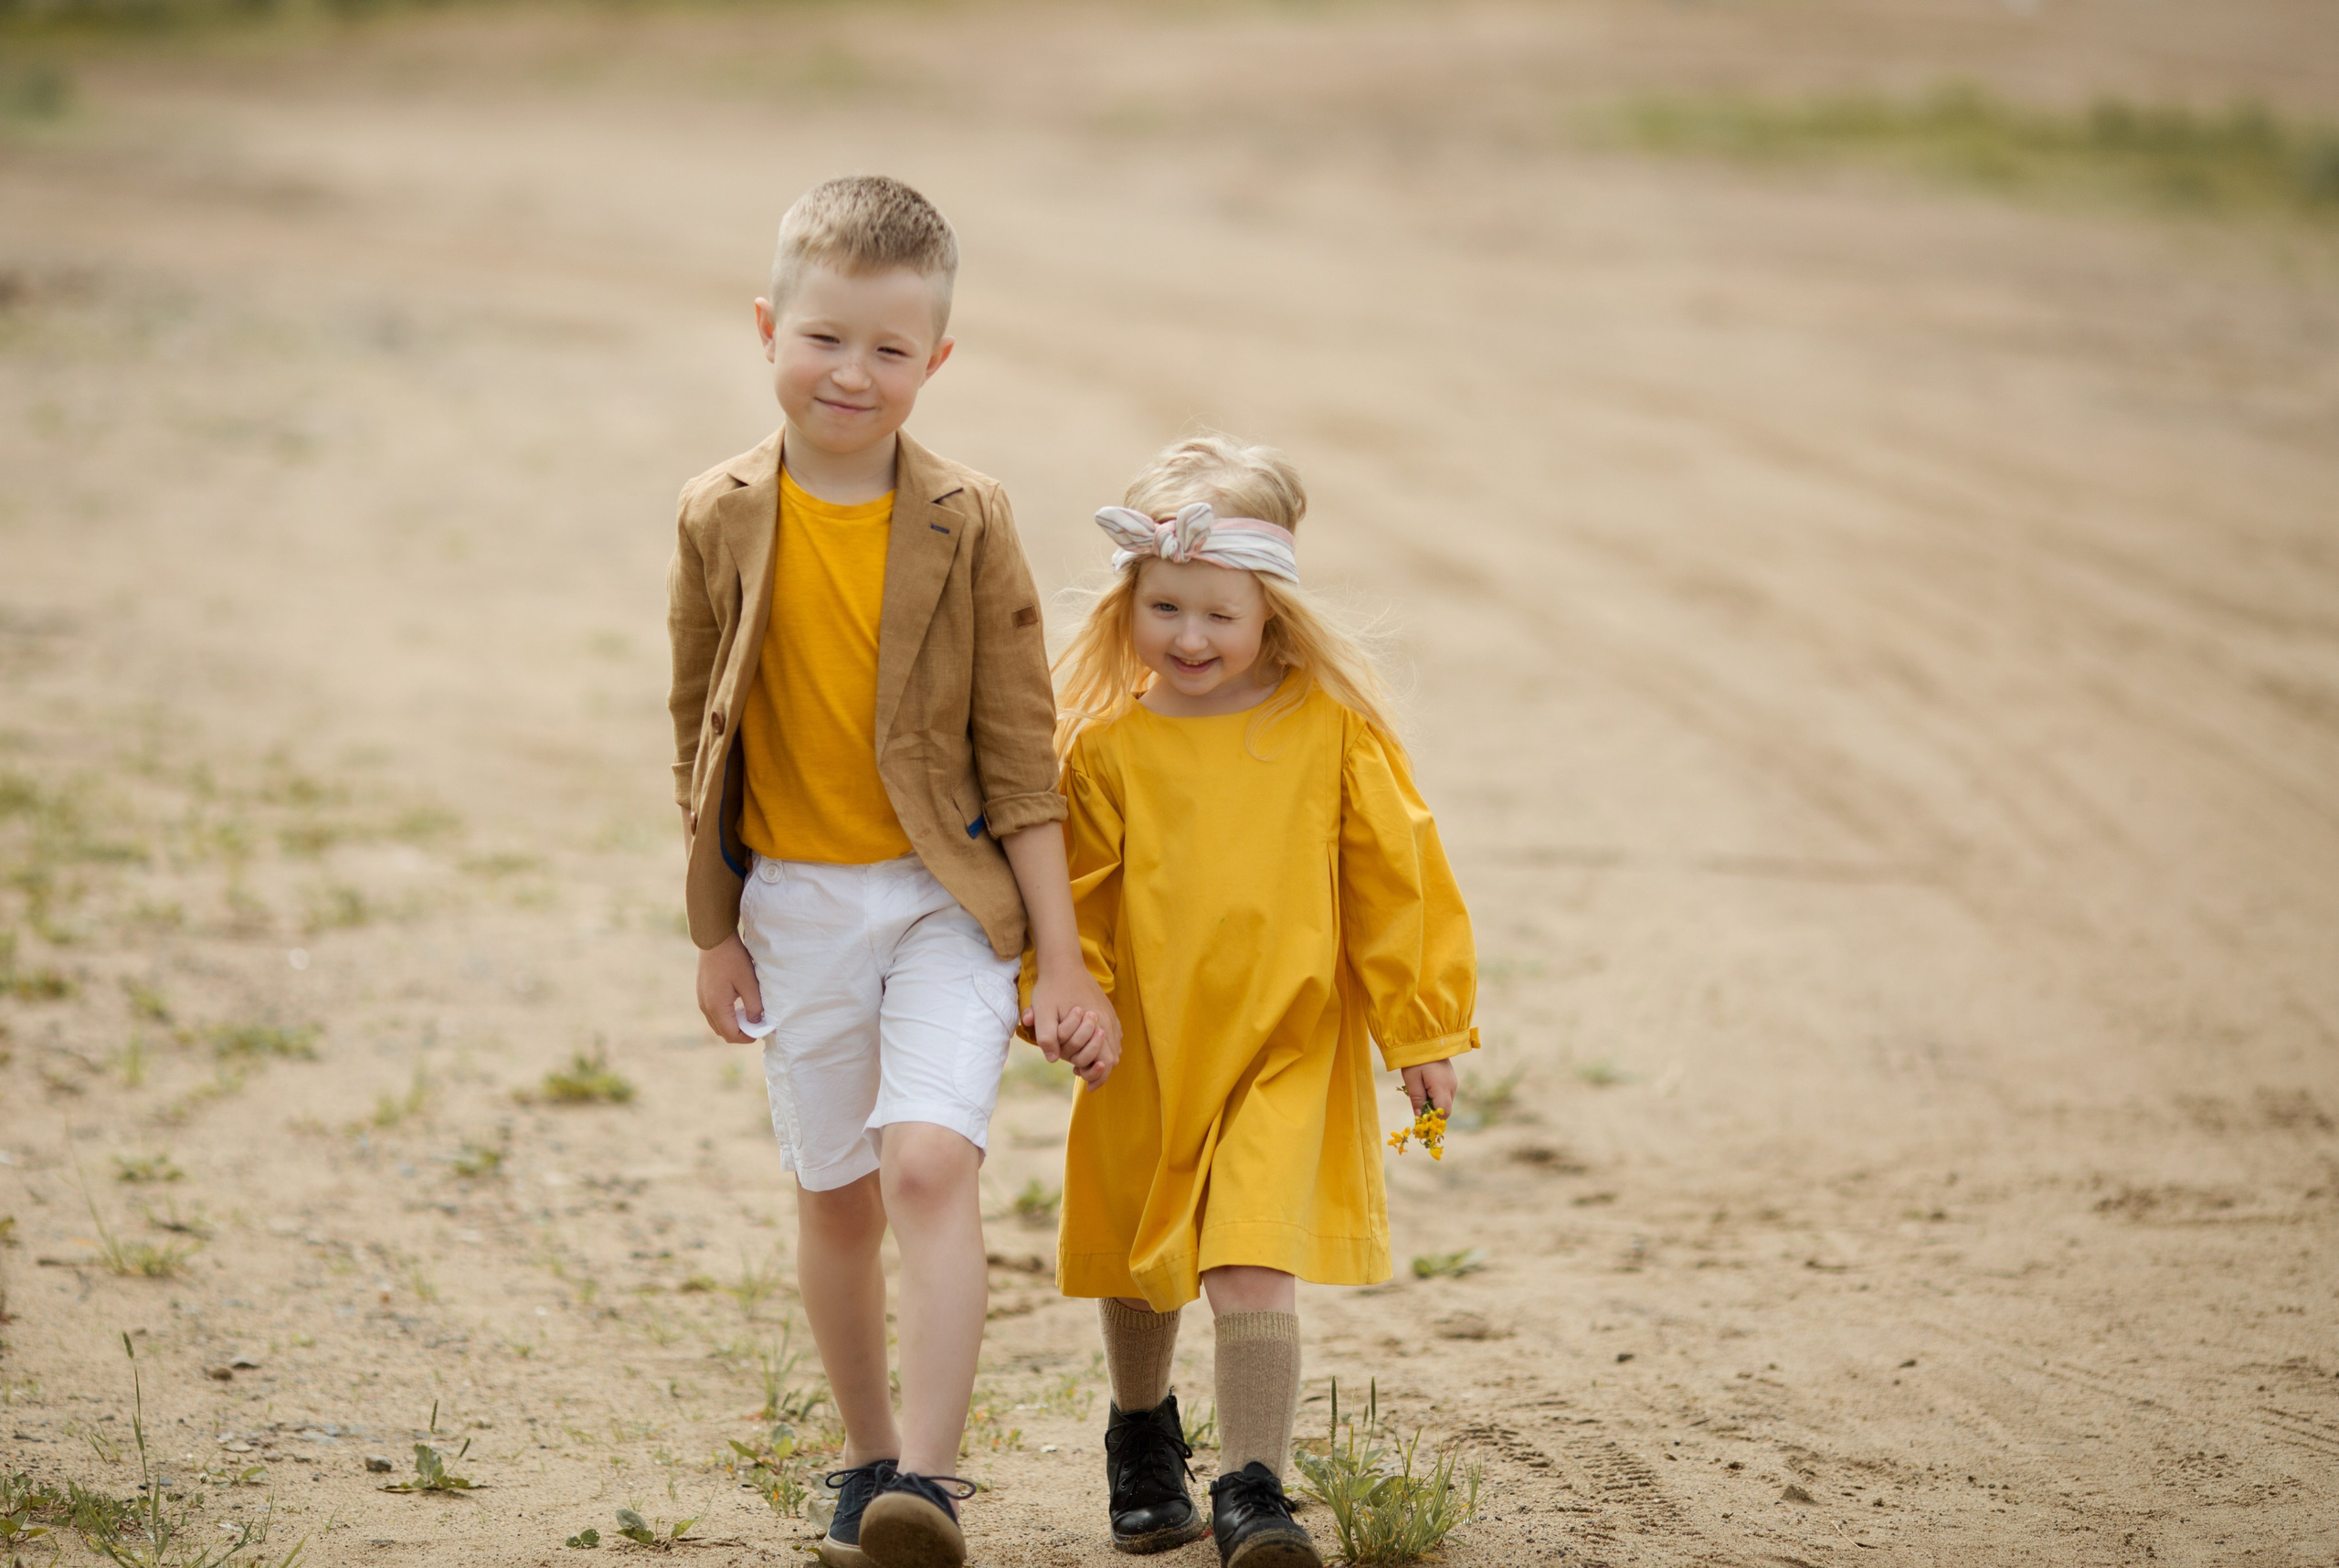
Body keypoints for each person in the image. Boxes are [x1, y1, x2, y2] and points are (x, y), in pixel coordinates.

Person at [666, 175, 1119, 1568]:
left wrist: (1059, 953)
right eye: (824, 338)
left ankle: (927, 1482)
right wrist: (714, 929)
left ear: (936, 360)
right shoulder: (719, 513)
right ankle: (864, 1461)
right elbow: (700, 732)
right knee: (837, 1192)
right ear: (766, 330)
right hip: (790, 904)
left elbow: (1020, 750)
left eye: (887, 349)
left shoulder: (966, 518)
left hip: (944, 900)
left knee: (930, 1162)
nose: (851, 374)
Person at [1039, 434, 1478, 1566]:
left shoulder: (1325, 732)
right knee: (1146, 1248)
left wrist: (1420, 1026)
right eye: (1165, 607)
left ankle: (1252, 1488)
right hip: (1148, 1044)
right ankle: (1140, 1438)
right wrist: (1063, 990)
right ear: (1131, 604)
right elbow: (1073, 895)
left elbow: (1398, 882)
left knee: (1246, 1253)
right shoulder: (1105, 747)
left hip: (1288, 1042)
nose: (1189, 637)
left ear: (1272, 615)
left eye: (1218, 614)